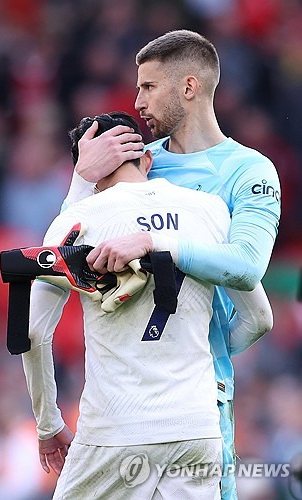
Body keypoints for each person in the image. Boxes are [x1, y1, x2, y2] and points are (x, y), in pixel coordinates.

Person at [63, 31, 281, 499]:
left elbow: (246, 267)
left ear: (189, 87)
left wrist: (205, 348)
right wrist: (83, 177)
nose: (137, 100)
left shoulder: (248, 171)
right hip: (122, 397)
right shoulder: (136, 162)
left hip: (200, 400)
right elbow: (65, 248)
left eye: (149, 87)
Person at [22, 112, 273, 500]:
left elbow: (34, 331)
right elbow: (259, 319)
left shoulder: (75, 221)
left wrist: (47, 423)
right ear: (148, 161)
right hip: (196, 427)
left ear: (84, 171)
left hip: (114, 431)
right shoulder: (209, 211)